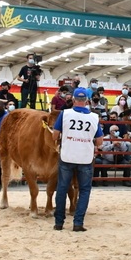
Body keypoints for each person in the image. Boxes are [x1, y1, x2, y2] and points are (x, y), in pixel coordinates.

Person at [51, 88, 103, 232]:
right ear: (87, 101)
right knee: (84, 190)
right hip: (85, 158)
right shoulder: (94, 117)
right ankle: (78, 223)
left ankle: (59, 223)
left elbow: (55, 136)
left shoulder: (65, 114)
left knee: (62, 188)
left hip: (67, 155)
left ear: (73, 100)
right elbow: (99, 142)